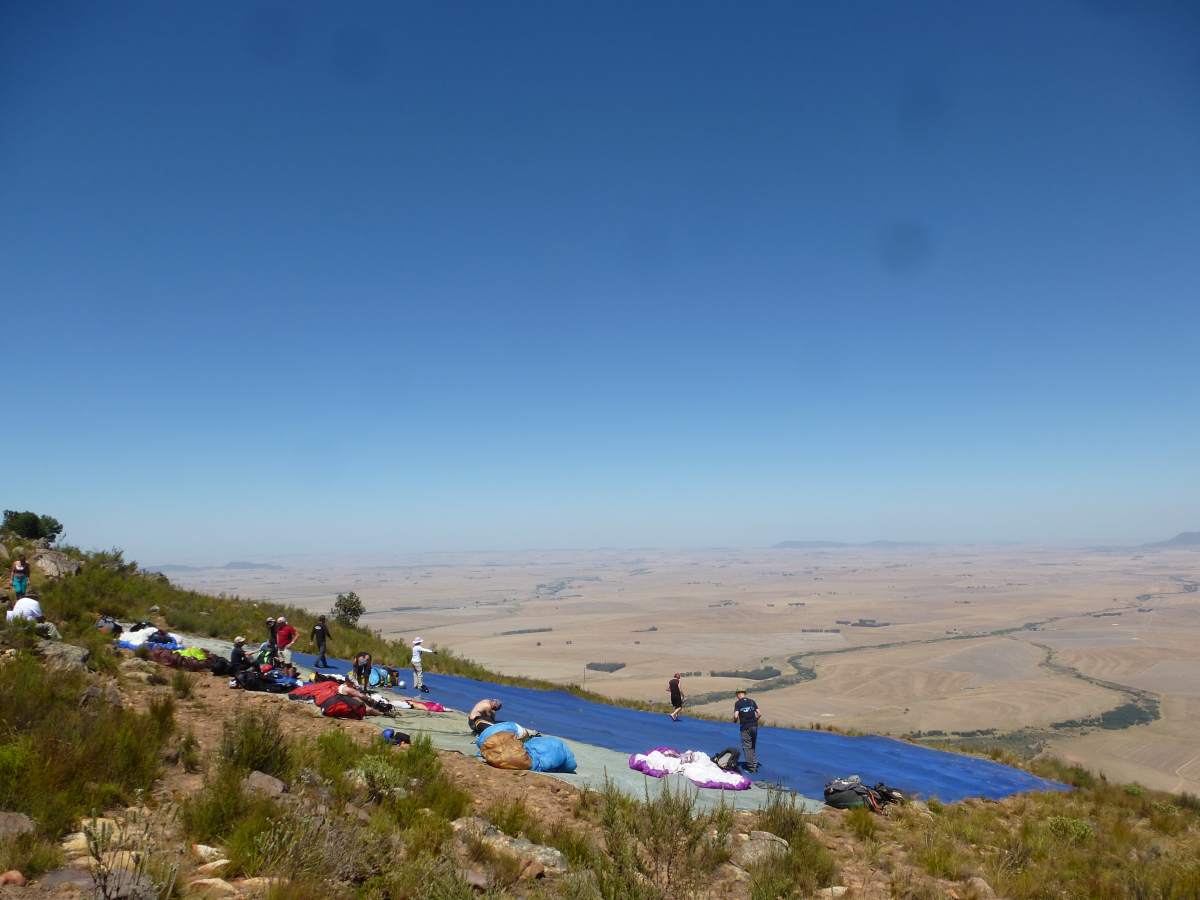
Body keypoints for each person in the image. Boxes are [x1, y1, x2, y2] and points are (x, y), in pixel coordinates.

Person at [733, 689, 761, 773]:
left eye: (736, 694)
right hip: (754, 726)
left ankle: (751, 767)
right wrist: (755, 720)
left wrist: (735, 721)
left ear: (738, 694)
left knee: (747, 747)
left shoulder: (738, 703)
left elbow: (736, 716)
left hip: (745, 727)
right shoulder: (752, 701)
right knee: (752, 746)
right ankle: (754, 763)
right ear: (744, 694)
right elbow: (759, 714)